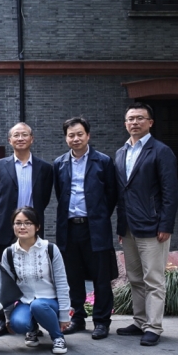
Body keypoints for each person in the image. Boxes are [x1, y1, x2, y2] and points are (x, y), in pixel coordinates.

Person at [115, 102, 178, 346]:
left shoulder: (161, 151)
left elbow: (170, 191)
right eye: (130, 119)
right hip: (129, 227)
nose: (134, 122)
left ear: (150, 123)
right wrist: (121, 226)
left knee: (153, 279)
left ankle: (153, 327)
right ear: (125, 123)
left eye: (140, 118)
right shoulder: (121, 152)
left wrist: (166, 225)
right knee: (134, 277)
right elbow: (122, 193)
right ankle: (140, 321)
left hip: (153, 226)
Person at [53, 117, 118, 339]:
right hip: (69, 228)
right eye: (71, 135)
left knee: (101, 277)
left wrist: (98, 216)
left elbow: (111, 195)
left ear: (88, 135)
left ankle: (101, 321)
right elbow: (60, 194)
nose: (75, 138)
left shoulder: (103, 161)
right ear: (66, 138)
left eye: (80, 134)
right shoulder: (59, 163)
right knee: (73, 276)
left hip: (95, 228)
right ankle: (78, 319)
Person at [0, 122, 53, 337]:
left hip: (32, 232)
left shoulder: (45, 168)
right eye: (16, 135)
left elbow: (43, 199)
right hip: (4, 229)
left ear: (32, 138)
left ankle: (30, 323)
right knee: (1, 276)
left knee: (33, 276)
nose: (20, 138)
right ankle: (1, 321)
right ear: (10, 140)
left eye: (24, 135)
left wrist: (29, 223)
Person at [0, 207, 71, 355]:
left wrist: (64, 315)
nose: (22, 227)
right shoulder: (9, 253)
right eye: (18, 223)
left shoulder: (50, 249)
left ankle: (58, 337)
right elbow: (7, 288)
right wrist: (8, 317)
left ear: (37, 227)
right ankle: (32, 329)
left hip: (50, 302)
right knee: (18, 324)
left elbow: (62, 283)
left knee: (38, 305)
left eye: (28, 223)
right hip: (25, 301)